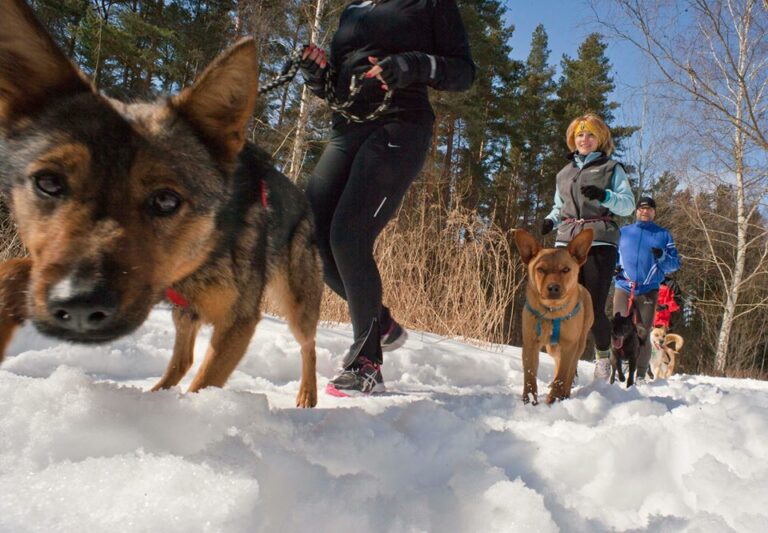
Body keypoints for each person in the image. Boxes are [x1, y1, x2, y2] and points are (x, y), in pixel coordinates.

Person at [299, 0, 475, 396]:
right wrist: (317, 74)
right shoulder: (351, 11)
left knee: (348, 235)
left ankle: (367, 364)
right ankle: (379, 319)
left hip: (400, 123)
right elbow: (336, 86)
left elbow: (464, 72)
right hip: (348, 128)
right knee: (308, 235)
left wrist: (412, 65)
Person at [542, 113, 636, 381]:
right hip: (566, 243)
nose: (585, 139)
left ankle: (603, 357)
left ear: (600, 139)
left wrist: (605, 195)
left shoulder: (611, 168)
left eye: (591, 134)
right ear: (573, 139)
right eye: (580, 135)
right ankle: (566, 364)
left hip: (599, 240)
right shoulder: (564, 173)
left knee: (592, 306)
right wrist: (550, 220)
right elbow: (559, 207)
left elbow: (628, 204)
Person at [614, 196, 680, 381]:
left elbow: (674, 264)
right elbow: (613, 254)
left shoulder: (663, 235)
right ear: (636, 211)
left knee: (643, 331)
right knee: (617, 328)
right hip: (623, 286)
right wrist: (614, 268)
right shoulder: (624, 232)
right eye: (642, 208)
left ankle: (641, 374)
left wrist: (662, 257)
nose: (645, 211)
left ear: (654, 212)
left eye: (650, 209)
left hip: (648, 289)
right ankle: (615, 370)